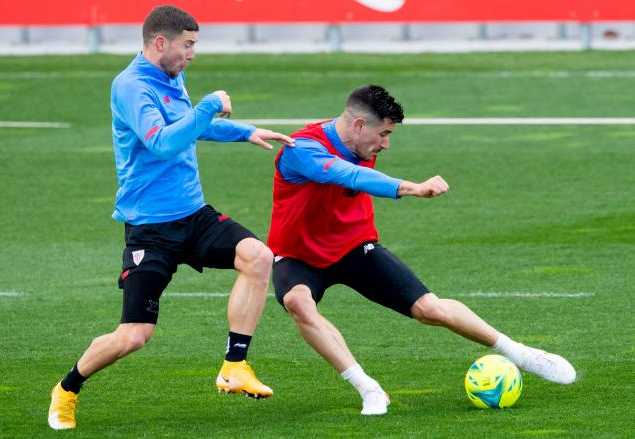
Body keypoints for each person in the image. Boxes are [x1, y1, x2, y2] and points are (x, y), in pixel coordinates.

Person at [47, 5, 294, 430]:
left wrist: (243, 131)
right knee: (134, 336)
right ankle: (67, 389)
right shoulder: (130, 87)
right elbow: (162, 142)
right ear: (160, 42)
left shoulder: (172, 76)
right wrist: (210, 104)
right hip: (151, 229)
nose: (193, 54)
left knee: (258, 256)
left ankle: (234, 366)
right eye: (189, 44)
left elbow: (186, 126)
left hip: (194, 214)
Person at [266, 85, 576, 416]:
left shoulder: (360, 138)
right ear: (358, 125)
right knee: (298, 303)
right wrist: (412, 188)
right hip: (297, 254)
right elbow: (350, 175)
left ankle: (520, 353)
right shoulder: (303, 148)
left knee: (430, 309)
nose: (384, 144)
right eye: (383, 134)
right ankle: (368, 388)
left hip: (354, 245)